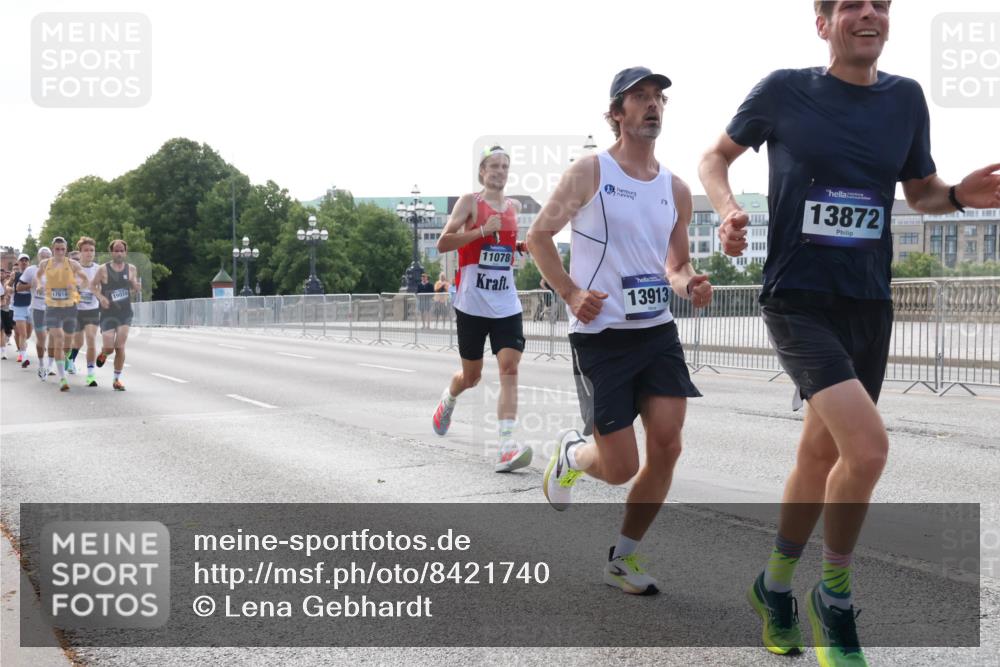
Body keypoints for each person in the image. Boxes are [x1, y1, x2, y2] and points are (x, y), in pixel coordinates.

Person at [697, 2, 1000, 663]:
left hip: (868, 301)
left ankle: (774, 585)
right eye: (853, 4)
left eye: (880, 5)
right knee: (866, 450)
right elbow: (714, 156)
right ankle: (832, 599)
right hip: (798, 299)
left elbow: (919, 191)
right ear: (823, 22)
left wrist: (956, 195)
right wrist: (727, 209)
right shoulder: (784, 90)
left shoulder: (906, 99)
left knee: (820, 455)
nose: (870, 14)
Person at [526, 67, 712, 595]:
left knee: (668, 446)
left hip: (656, 333)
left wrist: (690, 283)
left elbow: (675, 266)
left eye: (659, 98)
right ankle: (572, 456)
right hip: (601, 337)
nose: (652, 105)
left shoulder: (676, 189)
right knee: (620, 466)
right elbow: (539, 236)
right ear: (616, 113)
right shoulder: (590, 172)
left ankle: (622, 559)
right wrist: (570, 293)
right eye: (640, 97)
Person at [432, 145, 532, 473]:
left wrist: (517, 246)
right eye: (494, 166)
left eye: (505, 166)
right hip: (472, 304)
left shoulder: (515, 207)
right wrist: (481, 231)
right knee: (471, 377)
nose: (500, 172)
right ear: (482, 171)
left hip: (506, 303)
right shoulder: (469, 203)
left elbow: (500, 246)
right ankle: (449, 398)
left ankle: (505, 446)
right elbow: (443, 243)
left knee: (509, 368)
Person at [33, 237, 90, 392]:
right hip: (52, 307)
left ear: (66, 250)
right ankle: (62, 378)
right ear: (53, 249)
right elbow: (38, 276)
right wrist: (39, 285)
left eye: (62, 249)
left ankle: (65, 360)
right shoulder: (45, 263)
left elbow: (85, 279)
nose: (59, 252)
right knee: (58, 339)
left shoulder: (73, 264)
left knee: (67, 343)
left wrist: (79, 287)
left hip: (70, 307)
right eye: (57, 249)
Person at [92, 239, 141, 391]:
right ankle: (103, 353)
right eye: (116, 250)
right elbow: (92, 286)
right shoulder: (103, 269)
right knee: (109, 348)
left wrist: (136, 286)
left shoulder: (131, 269)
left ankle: (116, 380)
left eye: (121, 251)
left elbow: (134, 287)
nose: (119, 253)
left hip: (124, 313)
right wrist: (101, 297)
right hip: (107, 313)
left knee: (120, 346)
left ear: (125, 252)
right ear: (111, 252)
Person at [73, 237, 103, 387]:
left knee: (91, 338)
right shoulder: (74, 269)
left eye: (92, 250)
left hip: (92, 310)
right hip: (76, 311)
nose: (89, 253)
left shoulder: (99, 269)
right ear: (80, 253)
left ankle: (90, 375)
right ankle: (70, 359)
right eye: (86, 250)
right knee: (78, 342)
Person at [10, 254, 34, 367]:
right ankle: (24, 358)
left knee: (28, 334)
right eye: (22, 260)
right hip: (19, 306)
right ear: (18, 263)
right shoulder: (15, 275)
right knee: (22, 334)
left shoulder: (33, 274)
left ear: (29, 263)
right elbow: (8, 285)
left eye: (26, 260)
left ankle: (23, 347)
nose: (24, 262)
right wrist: (9, 289)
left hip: (31, 306)